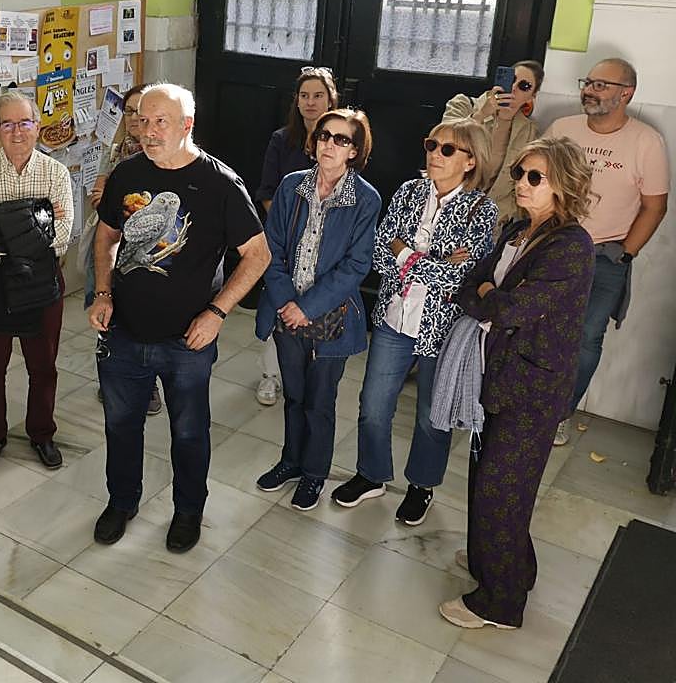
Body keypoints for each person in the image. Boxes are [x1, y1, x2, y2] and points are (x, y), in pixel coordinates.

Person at [89, 83, 270, 553]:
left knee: (188, 433)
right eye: (142, 121)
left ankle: (188, 511)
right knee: (120, 425)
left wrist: (217, 312)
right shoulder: (127, 173)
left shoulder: (220, 183)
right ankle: (121, 501)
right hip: (124, 331)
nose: (148, 132)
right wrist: (103, 292)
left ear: (187, 125)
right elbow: (106, 236)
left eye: (160, 122)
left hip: (187, 340)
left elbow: (258, 255)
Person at [440, 136, 595, 630]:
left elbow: (513, 309)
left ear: (563, 185)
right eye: (519, 173)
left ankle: (500, 603)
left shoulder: (571, 246)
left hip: (531, 387)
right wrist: (490, 293)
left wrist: (491, 295)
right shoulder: (516, 229)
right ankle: (501, 563)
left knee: (501, 489)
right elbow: (471, 284)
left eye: (535, 177)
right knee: (493, 481)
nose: (521, 183)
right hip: (496, 374)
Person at [330, 120, 498, 524]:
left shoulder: (481, 209)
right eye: (431, 144)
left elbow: (459, 277)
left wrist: (405, 253)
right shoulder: (408, 192)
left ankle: (422, 485)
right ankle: (371, 475)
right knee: (373, 405)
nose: (435, 153)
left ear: (471, 161)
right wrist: (430, 260)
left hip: (443, 328)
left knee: (431, 415)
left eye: (447, 149)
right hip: (394, 319)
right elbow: (379, 253)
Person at [254, 109, 381, 511]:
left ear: (354, 151)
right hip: (285, 311)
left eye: (341, 139)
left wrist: (306, 307)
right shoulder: (292, 186)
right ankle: (291, 462)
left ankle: (314, 474)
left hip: (331, 318)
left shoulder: (366, 198)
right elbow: (271, 248)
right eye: (325, 135)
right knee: (294, 397)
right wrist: (286, 302)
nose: (330, 144)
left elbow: (357, 265)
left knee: (319, 402)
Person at [548, 58, 668, 445]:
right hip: (554, 248)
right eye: (588, 82)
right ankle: (523, 401)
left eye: (601, 85)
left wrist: (626, 252)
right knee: (535, 326)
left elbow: (655, 206)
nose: (589, 90)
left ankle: (560, 414)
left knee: (586, 338)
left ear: (626, 94)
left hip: (605, 257)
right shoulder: (562, 129)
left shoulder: (646, 141)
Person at [0, 90, 73, 471]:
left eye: (24, 122)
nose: (17, 132)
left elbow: (62, 236)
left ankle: (42, 434)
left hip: (41, 282)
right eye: (7, 124)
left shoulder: (55, 173)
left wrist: (2, 222)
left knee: (43, 368)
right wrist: (35, 220)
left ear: (37, 126)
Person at [253, 67, 339, 406]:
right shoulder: (282, 139)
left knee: (314, 303)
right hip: (285, 236)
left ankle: (307, 372)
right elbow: (267, 191)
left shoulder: (341, 141)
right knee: (278, 302)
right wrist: (289, 226)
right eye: (304, 96)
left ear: (331, 100)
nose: (310, 102)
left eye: (318, 96)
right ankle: (270, 375)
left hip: (325, 240)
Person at [87, 83, 163, 416]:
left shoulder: (162, 153)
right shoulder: (116, 150)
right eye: (129, 112)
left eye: (141, 113)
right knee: (105, 312)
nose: (134, 119)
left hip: (144, 250)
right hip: (110, 245)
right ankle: (110, 376)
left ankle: (149, 387)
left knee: (146, 319)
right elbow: (100, 193)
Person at [442, 60, 543, 221]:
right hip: (445, 206)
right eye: (511, 80)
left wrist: (502, 213)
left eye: (524, 86)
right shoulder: (463, 104)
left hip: (491, 220)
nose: (514, 88)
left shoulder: (529, 132)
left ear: (532, 96)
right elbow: (444, 147)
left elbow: (523, 181)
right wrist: (482, 115)